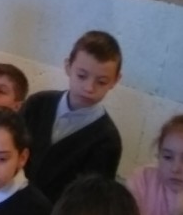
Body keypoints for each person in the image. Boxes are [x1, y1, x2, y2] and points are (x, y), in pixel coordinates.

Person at [20, 30, 123, 203]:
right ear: (68, 67)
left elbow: (90, 200)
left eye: (101, 82)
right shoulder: (37, 104)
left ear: (115, 80)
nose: (89, 88)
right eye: (81, 76)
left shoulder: (107, 140)